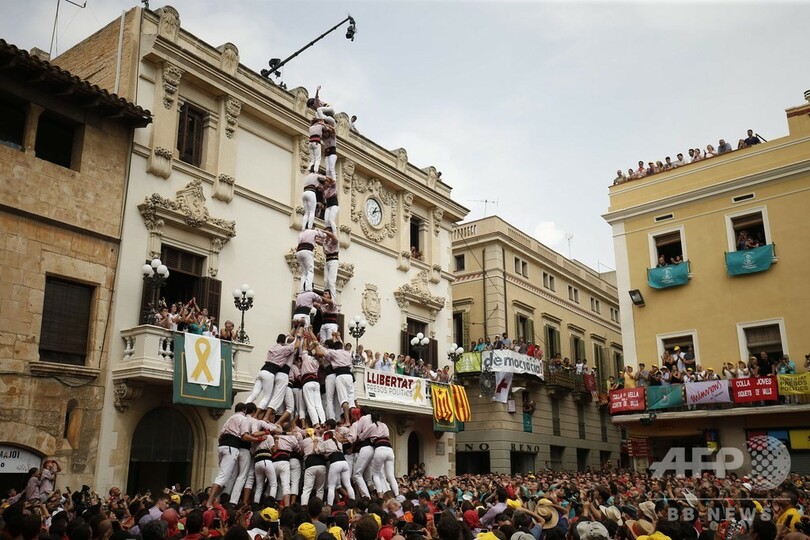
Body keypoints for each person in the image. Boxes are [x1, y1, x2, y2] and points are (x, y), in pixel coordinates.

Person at [369, 411, 399, 497]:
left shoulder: (372, 426)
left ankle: (380, 496)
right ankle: (397, 495)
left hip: (380, 449)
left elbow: (363, 435)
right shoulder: (385, 425)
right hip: (389, 449)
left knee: (375, 474)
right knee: (391, 476)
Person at [296, 227, 332, 292]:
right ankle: (308, 288)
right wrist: (318, 230)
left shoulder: (301, 233)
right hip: (307, 251)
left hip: (299, 252)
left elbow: (299, 242)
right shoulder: (313, 231)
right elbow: (323, 235)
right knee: (310, 270)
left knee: (304, 272)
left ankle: (302, 289)